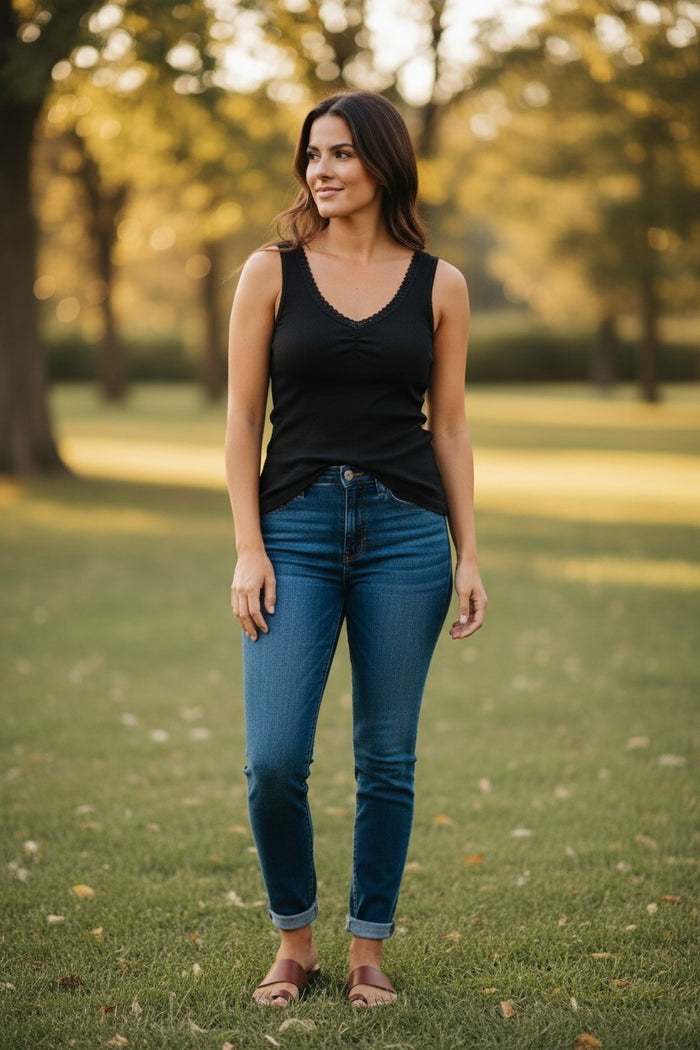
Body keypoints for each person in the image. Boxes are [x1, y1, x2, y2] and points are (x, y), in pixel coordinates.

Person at [225, 90, 487, 1008]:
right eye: (312, 155)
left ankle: (367, 947)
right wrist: (249, 548)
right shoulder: (270, 271)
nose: (321, 171)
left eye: (339, 153)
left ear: (381, 162)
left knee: (387, 756)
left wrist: (468, 552)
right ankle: (292, 940)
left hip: (405, 534)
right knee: (274, 759)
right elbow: (239, 423)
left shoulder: (440, 283)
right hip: (291, 527)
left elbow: (449, 430)